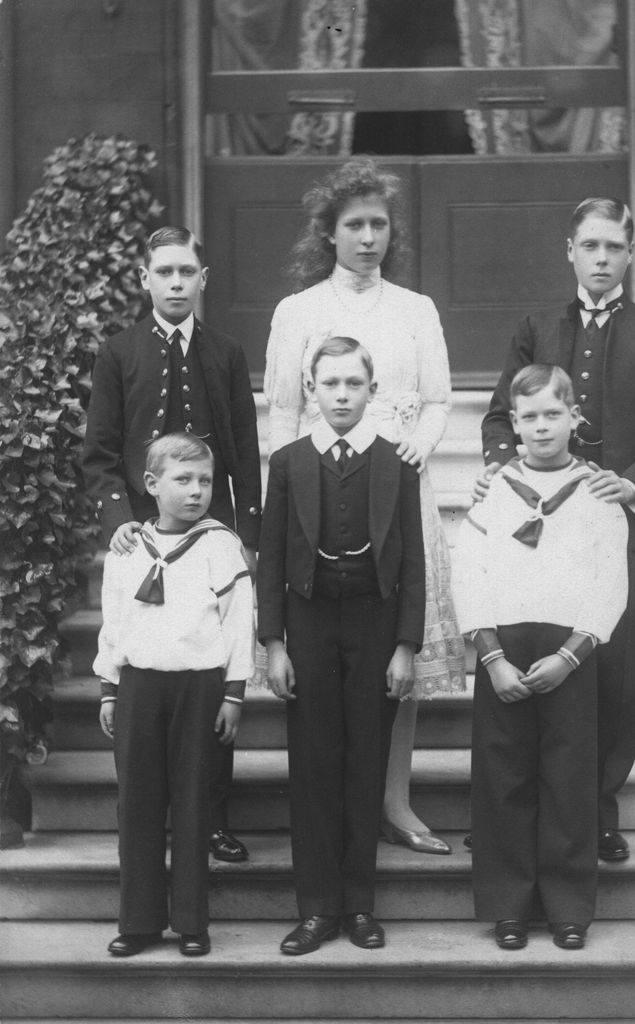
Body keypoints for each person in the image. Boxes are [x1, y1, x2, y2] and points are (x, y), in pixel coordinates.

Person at [478, 198, 635, 862]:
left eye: (614, 248)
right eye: (590, 246)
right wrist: (501, 473)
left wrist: (633, 483)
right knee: (544, 658)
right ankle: (534, 810)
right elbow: (497, 419)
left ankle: (598, 807)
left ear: (630, 256)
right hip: (543, 534)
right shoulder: (536, 327)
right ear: (568, 250)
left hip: (628, 528)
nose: (601, 259)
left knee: (620, 670)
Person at [262, 157, 464, 855]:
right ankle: (334, 810)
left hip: (399, 497)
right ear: (329, 233)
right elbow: (283, 415)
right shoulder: (299, 312)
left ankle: (394, 799)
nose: (369, 237)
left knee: (395, 658)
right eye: (354, 225)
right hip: (320, 503)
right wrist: (282, 514)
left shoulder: (416, 310)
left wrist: (419, 447)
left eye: (379, 224)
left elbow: (439, 398)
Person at [82, 226, 261, 864]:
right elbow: (99, 453)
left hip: (209, 543)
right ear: (145, 279)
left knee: (207, 680)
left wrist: (249, 532)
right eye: (165, 273)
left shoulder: (226, 352)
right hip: (143, 541)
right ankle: (147, 820)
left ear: (204, 279)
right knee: (152, 679)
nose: (177, 283)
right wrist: (117, 523)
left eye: (187, 272)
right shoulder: (119, 352)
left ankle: (210, 819)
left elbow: (242, 449)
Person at [256, 337, 425, 955]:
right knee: (314, 764)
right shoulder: (290, 461)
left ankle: (360, 906)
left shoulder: (396, 464)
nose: (343, 395)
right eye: (331, 385)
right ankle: (317, 909)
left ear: (372, 390)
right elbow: (271, 554)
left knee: (364, 764)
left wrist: (406, 645)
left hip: (375, 628)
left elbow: (413, 561)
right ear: (312, 391)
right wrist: (273, 643)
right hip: (308, 625)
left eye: (354, 384)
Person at [453, 364, 628, 950]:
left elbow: (611, 584)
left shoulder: (598, 494)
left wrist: (572, 656)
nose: (542, 426)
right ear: (513, 425)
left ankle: (568, 905)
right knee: (504, 777)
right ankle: (509, 903)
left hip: (569, 652)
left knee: (569, 779)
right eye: (529, 417)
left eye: (554, 413)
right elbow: (468, 576)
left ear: (575, 419)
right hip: (504, 650)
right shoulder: (494, 493)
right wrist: (492, 657)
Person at [96, 433, 255, 957]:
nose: (195, 492)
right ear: (151, 484)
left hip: (199, 688)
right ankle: (138, 920)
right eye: (182, 480)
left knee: (192, 803)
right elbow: (114, 621)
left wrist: (233, 693)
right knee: (137, 803)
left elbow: (237, 623)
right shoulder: (126, 547)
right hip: (140, 685)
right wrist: (108, 689)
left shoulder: (219, 544)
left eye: (205, 481)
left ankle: (191, 920)